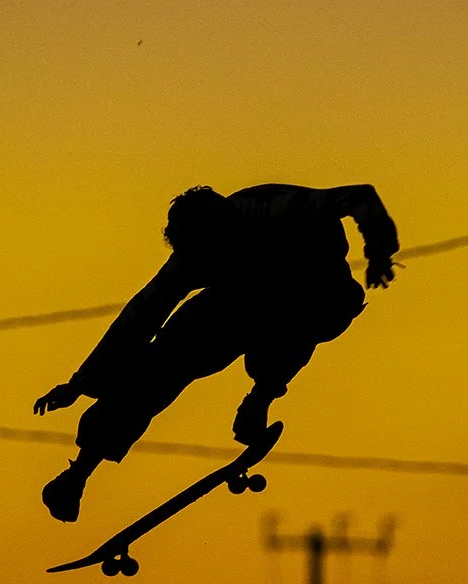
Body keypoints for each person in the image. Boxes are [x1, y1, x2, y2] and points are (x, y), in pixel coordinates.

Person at [34, 182, 399, 521]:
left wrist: (379, 252)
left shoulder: (280, 211)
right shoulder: (193, 258)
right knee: (161, 363)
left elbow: (360, 195)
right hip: (238, 304)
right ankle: (78, 474)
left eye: (212, 257)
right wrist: (80, 383)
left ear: (225, 231)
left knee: (297, 316)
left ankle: (259, 398)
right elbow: (141, 315)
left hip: (318, 291)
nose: (205, 265)